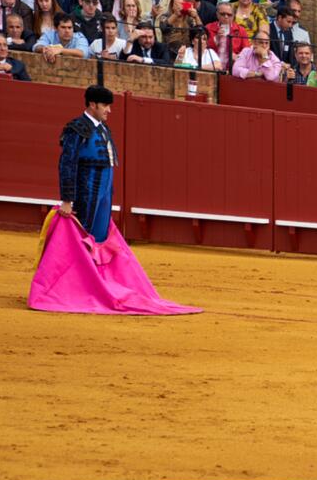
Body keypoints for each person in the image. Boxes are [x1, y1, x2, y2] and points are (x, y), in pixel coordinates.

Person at [31, 84, 201, 315]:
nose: (109, 110)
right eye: (105, 105)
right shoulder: (76, 128)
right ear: (92, 104)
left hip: (104, 190)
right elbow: (67, 164)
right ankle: (80, 287)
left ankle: (97, 285)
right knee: (85, 236)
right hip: (87, 190)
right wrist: (67, 200)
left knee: (100, 238)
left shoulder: (102, 128)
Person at [204, 1, 250, 72]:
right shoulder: (208, 28)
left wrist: (238, 57)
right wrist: (216, 39)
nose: (226, 17)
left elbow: (247, 52)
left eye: (229, 15)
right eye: (223, 14)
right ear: (217, 14)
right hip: (211, 67)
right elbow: (202, 49)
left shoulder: (240, 30)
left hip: (232, 69)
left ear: (233, 16)